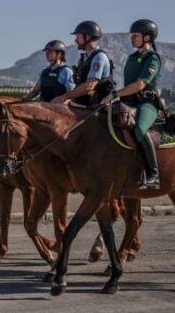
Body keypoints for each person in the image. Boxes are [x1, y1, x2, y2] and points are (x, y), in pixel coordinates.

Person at [101, 19, 162, 189]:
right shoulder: (133, 57)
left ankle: (153, 174)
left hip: (146, 103)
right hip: (128, 102)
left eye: (135, 36)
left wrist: (114, 94)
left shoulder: (152, 58)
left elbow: (139, 85)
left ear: (147, 38)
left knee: (140, 129)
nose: (131, 39)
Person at [52, 20, 114, 106]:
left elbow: (89, 85)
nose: (75, 40)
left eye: (78, 36)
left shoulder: (99, 57)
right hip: (84, 106)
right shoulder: (83, 59)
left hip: (98, 108)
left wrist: (63, 97)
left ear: (87, 37)